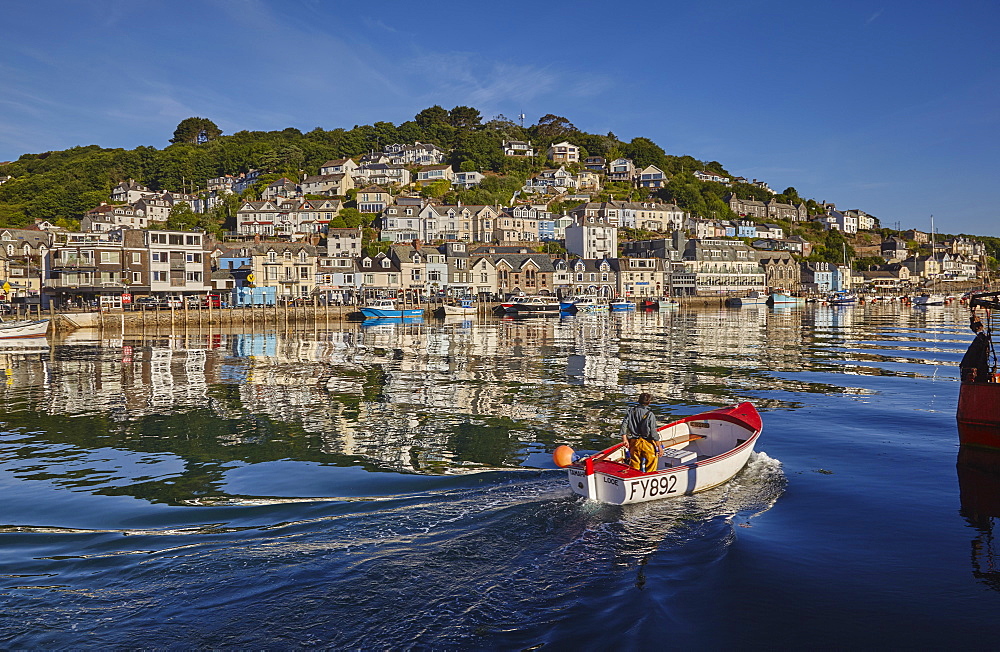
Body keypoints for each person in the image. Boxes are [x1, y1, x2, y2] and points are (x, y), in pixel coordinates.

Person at [620, 392, 661, 472]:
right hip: (647, 442)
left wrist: (624, 439)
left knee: (634, 465)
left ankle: (634, 478)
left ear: (638, 400)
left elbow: (624, 425)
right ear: (649, 402)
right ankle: (649, 479)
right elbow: (653, 432)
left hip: (634, 442)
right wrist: (658, 446)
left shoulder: (631, 411)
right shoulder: (650, 414)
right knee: (651, 465)